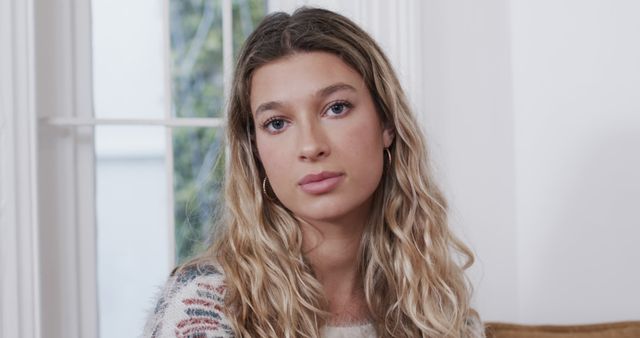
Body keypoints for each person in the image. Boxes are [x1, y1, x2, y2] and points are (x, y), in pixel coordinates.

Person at [144, 6, 484, 338]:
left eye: (336, 108)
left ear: (387, 123)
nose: (310, 146)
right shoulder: (204, 308)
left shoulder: (438, 307)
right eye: (276, 123)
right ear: (255, 150)